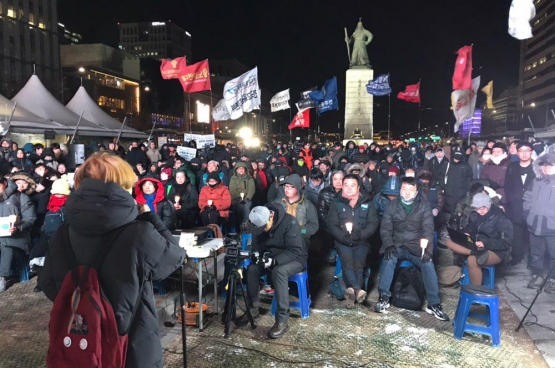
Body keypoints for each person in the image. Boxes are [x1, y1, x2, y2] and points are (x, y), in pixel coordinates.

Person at [39, 152, 185, 368]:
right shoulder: (139, 232)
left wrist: (89, 307)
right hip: (132, 338)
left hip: (79, 340)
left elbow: (49, 284)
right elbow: (174, 258)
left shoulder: (63, 232)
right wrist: (150, 217)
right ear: (122, 185)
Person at [375, 177, 449, 321]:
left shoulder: (424, 206)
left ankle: (434, 303)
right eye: (404, 189)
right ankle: (384, 297)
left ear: (416, 193)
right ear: (400, 190)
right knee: (389, 259)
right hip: (396, 244)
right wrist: (388, 244)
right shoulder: (392, 205)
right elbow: (385, 228)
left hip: (416, 246)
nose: (407, 193)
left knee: (428, 264)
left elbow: (428, 229)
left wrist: (427, 250)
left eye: (411, 190)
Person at [235, 205, 307, 339]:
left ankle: (282, 319)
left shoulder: (290, 223)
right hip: (270, 256)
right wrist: (257, 254)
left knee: (279, 272)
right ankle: (253, 307)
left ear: (271, 216)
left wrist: (274, 262)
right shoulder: (257, 221)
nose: (262, 231)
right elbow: (256, 241)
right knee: (251, 269)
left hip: (294, 258)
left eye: (264, 227)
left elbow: (296, 250)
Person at [327, 174, 379, 308]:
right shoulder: (336, 203)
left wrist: (360, 235)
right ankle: (357, 289)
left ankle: (351, 292)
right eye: (346, 185)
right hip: (342, 241)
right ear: (342, 187)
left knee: (359, 263)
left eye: (352, 185)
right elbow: (332, 224)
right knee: (347, 260)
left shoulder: (367, 203)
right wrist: (343, 237)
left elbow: (373, 223)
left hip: (361, 241)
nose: (349, 188)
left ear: (359, 187)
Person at [444, 193, 512, 285]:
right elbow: (469, 227)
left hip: (496, 251)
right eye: (476, 208)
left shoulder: (501, 219)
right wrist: (467, 233)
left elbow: (505, 242)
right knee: (449, 242)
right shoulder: (476, 214)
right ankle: (474, 252)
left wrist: (485, 244)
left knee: (472, 260)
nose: (478, 211)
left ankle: (476, 290)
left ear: (486, 206)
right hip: (476, 245)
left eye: (481, 209)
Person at [523, 151, 555, 291]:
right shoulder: (536, 181)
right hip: (535, 224)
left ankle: (553, 279)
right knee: (536, 253)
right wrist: (527, 214)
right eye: (544, 165)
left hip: (552, 226)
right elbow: (527, 198)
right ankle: (537, 275)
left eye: (550, 165)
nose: (546, 168)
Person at [0, 175, 37, 293]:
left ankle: (2, 277)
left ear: (5, 183)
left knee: (6, 245)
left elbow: (30, 218)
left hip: (16, 236)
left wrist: (18, 227)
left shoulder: (21, 197)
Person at [504, 142, 535, 265]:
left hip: (533, 207)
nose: (524, 153)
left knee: (532, 234)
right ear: (517, 152)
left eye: (527, 150)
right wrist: (511, 201)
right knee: (517, 232)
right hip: (515, 205)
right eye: (521, 150)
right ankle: (517, 256)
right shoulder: (512, 167)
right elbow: (507, 186)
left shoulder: (538, 167)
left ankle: (533, 259)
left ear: (531, 152)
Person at [274, 174, 318, 248]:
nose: (286, 189)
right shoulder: (278, 203)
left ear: (297, 188)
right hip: (280, 241)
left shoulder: (307, 205)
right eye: (285, 186)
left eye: (290, 187)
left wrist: (300, 231)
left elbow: (314, 226)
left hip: (300, 242)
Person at [317, 170, 344, 265]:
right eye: (335, 179)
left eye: (341, 179)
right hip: (329, 224)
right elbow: (321, 212)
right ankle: (331, 251)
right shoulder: (324, 192)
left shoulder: (348, 192)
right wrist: (332, 225)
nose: (338, 182)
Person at [444, 151, 472, 216]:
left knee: (459, 207)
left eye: (458, 158)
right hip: (449, 190)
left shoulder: (466, 165)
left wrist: (466, 188)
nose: (456, 160)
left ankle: (458, 220)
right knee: (449, 207)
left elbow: (469, 178)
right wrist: (444, 187)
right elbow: (442, 175)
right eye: (455, 158)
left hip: (461, 191)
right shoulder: (448, 164)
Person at [229, 161, 256, 229]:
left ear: (245, 169)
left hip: (247, 198)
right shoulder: (233, 178)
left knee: (246, 208)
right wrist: (239, 197)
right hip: (236, 198)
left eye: (242, 168)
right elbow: (232, 189)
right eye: (239, 168)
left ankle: (245, 224)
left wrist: (247, 198)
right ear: (236, 170)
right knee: (239, 207)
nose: (241, 170)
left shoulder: (249, 178)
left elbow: (251, 188)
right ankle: (239, 225)